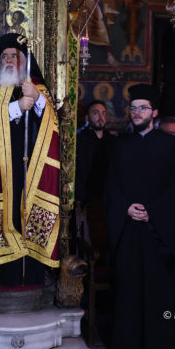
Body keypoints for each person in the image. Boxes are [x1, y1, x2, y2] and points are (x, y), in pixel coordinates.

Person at [0, 33, 60, 287]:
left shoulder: (37, 88)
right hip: (0, 172)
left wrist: (38, 99)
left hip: (32, 170)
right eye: (5, 56)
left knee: (29, 212)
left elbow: (53, 125)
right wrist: (17, 106)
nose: (9, 60)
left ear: (25, 61)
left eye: (14, 56)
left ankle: (34, 272)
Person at [105, 84, 175, 349]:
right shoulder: (120, 145)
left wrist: (152, 212)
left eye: (143, 108)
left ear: (154, 112)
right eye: (133, 108)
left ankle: (160, 348)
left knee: (158, 292)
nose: (137, 112)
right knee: (127, 290)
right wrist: (126, 208)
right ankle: (126, 347)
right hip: (128, 230)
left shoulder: (171, 146)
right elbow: (111, 185)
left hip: (158, 233)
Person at [75, 100, 116, 248]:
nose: (101, 117)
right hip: (86, 201)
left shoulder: (113, 142)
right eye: (96, 113)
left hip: (109, 201)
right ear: (87, 117)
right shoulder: (79, 141)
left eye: (104, 113)